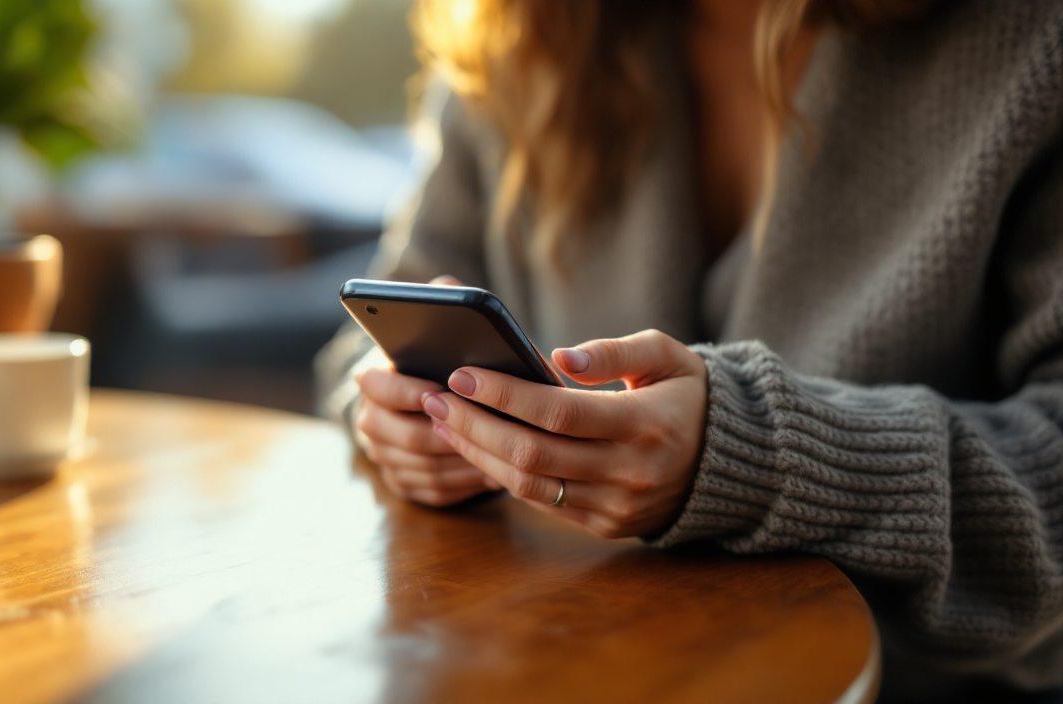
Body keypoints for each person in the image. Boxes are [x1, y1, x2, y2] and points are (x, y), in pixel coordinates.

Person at [314, 0, 1063, 700]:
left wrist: (755, 455)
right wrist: (394, 411)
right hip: (557, 671)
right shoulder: (519, 37)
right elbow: (367, 335)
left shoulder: (1027, 41)